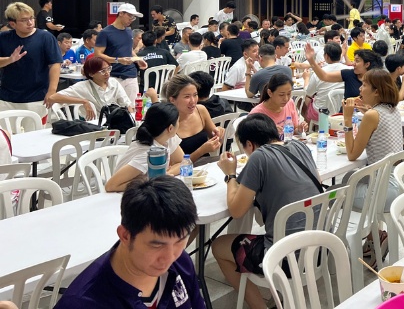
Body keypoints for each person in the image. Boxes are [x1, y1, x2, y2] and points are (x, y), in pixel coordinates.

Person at [211, 114, 321, 309]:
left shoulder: (259, 156)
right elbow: (318, 182)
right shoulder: (300, 146)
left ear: (249, 144)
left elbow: (236, 210)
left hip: (286, 257)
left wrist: (230, 174)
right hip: (320, 247)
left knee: (218, 246)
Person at [56, 176, 204, 308]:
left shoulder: (181, 263)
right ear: (125, 236)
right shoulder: (83, 303)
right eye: (157, 245)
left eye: (180, 241)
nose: (170, 257)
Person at [0, 2, 61, 120]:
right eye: (24, 20)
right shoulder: (3, 37)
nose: (30, 22)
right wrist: (10, 59)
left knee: (35, 130)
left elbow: (55, 64)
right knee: (7, 131)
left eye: (31, 18)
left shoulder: (45, 37)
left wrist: (52, 91)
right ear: (12, 24)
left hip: (37, 97)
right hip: (7, 97)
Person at [105, 103, 183, 191]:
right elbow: (111, 186)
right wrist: (151, 179)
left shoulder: (167, 138)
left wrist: (164, 175)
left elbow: (183, 163)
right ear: (170, 128)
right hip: (129, 195)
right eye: (178, 121)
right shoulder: (147, 154)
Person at [342, 69, 403, 165]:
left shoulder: (371, 115)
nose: (360, 88)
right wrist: (366, 110)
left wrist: (347, 118)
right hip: (397, 170)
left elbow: (352, 155)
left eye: (364, 85)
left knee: (349, 174)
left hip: (381, 173)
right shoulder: (394, 109)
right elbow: (380, 121)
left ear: (376, 92)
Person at [49, 55, 133, 121]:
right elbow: (52, 97)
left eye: (108, 69)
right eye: (102, 71)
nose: (107, 73)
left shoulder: (114, 82)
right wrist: (83, 101)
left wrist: (132, 120)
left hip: (115, 123)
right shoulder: (83, 87)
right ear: (91, 74)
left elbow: (126, 104)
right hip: (95, 125)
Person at [94, 3, 147, 104]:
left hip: (130, 74)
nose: (131, 19)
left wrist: (137, 59)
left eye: (133, 17)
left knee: (132, 107)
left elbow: (129, 50)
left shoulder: (129, 31)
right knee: (113, 107)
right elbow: (97, 54)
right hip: (113, 75)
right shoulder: (105, 33)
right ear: (121, 13)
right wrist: (118, 60)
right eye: (130, 16)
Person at [166, 74, 223, 162]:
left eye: (195, 95)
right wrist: (201, 151)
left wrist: (219, 134)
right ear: (172, 99)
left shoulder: (201, 110)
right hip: (183, 169)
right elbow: (176, 164)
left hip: (205, 165)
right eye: (187, 97)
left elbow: (216, 142)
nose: (193, 101)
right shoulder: (166, 122)